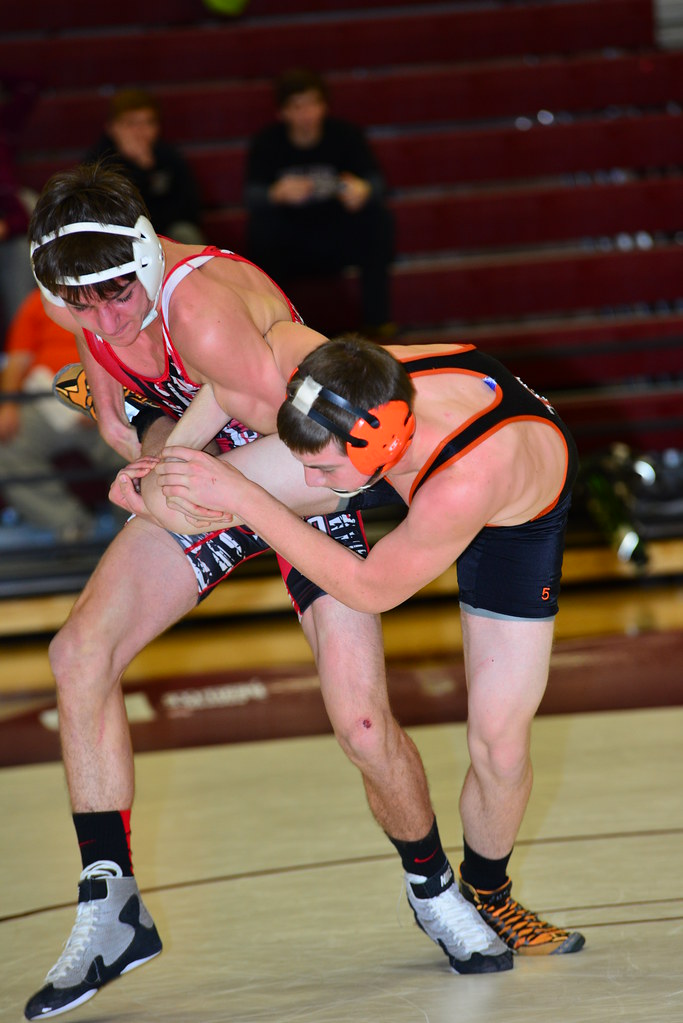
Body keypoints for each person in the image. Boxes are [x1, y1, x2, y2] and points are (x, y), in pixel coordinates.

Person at [23, 163, 511, 1022]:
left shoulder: (200, 303)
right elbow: (123, 421)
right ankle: (112, 902)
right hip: (216, 479)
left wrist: (162, 479)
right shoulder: (88, 306)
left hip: (311, 475)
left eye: (113, 295)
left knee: (362, 722)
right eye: (81, 303)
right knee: (78, 654)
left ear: (141, 254)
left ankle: (432, 886)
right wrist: (157, 462)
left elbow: (315, 456)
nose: (105, 317)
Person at [150, 333, 587, 971]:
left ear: (376, 445)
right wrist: (172, 453)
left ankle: (489, 893)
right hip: (405, 451)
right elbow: (229, 375)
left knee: (500, 741)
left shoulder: (466, 483)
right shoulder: (344, 374)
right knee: (178, 496)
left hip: (510, 521)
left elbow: (370, 589)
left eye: (321, 471)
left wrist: (250, 502)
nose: (308, 480)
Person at [244, 67, 395, 337]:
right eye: (298, 107)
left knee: (379, 218)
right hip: (291, 239)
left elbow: (377, 182)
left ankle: (377, 324)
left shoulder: (345, 135)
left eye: (314, 104)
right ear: (283, 113)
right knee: (261, 227)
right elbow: (251, 196)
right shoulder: (267, 142)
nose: (307, 114)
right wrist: (276, 193)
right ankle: (277, 327)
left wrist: (363, 190)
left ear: (324, 107)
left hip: (337, 234)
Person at [0, 289, 125, 540]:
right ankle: (70, 525)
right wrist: (7, 406)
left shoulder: (112, 291)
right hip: (45, 400)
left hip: (106, 397)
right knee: (5, 447)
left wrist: (105, 398)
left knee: (141, 446)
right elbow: (16, 361)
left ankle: (133, 529)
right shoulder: (38, 301)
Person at [85, 87, 205, 244]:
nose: (140, 131)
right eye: (131, 123)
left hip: (164, 237)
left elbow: (189, 211)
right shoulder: (97, 163)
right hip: (117, 239)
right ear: (112, 127)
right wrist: (139, 171)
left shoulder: (169, 158)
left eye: (148, 122)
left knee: (186, 233)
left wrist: (148, 170)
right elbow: (105, 214)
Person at [0, 74, 39, 340]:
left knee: (22, 254)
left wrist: (5, 225)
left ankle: (19, 350)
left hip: (9, 236)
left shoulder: (3, 133)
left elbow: (30, 85)